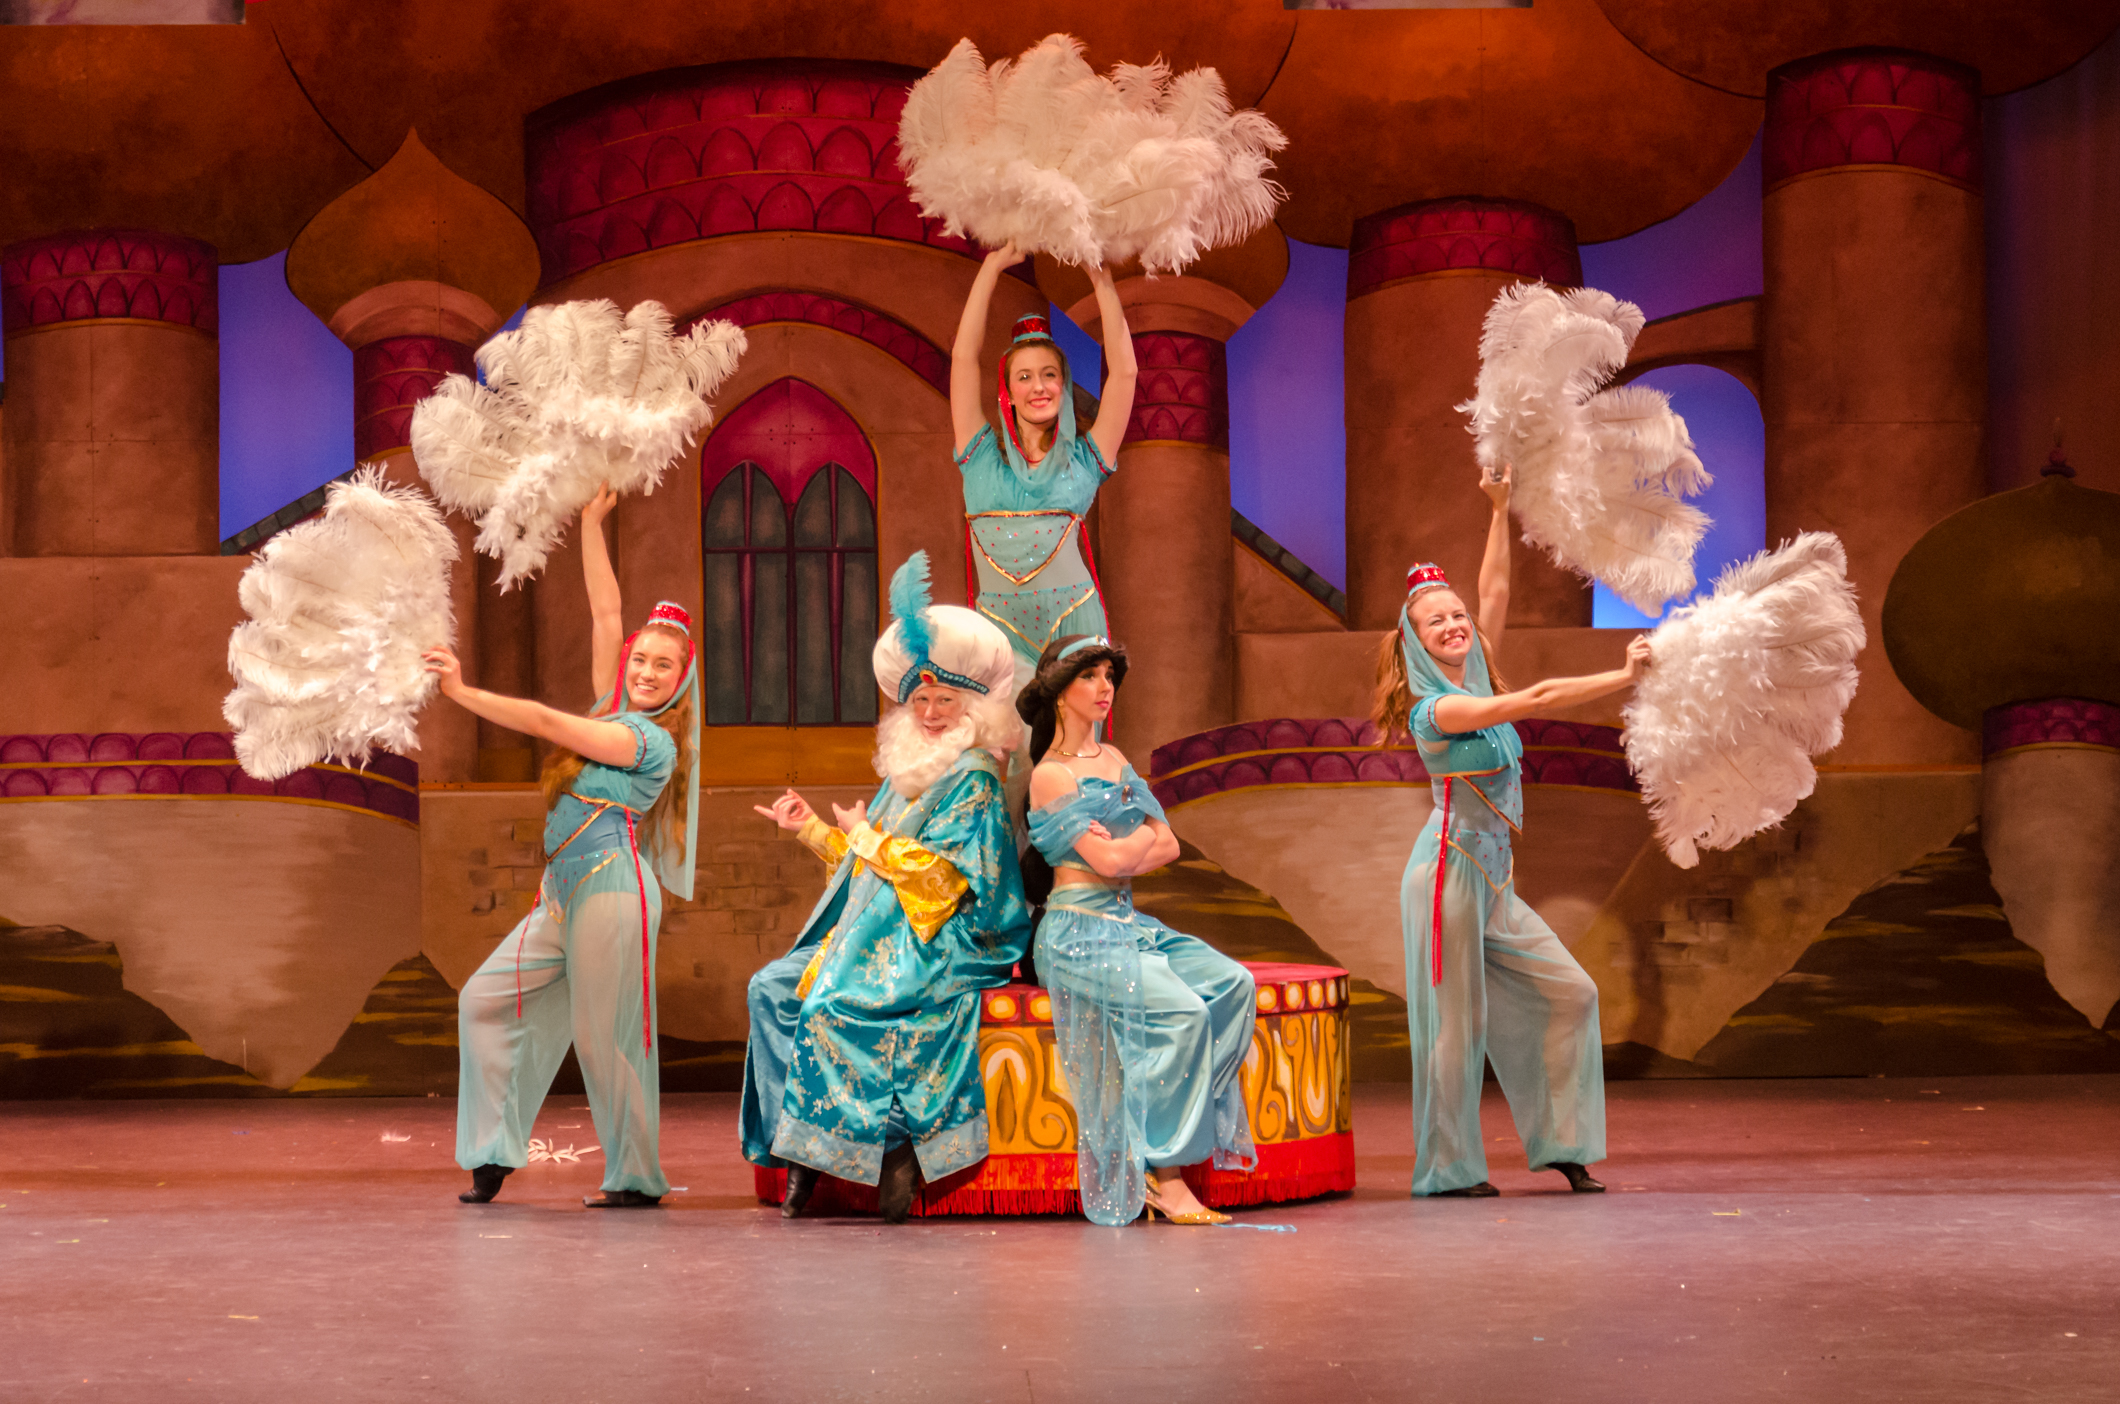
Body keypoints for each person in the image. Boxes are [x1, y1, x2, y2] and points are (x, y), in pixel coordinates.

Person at [1372, 465, 1651, 1198]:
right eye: (1437, 622)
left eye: (1456, 615)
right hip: (1447, 877)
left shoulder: (1474, 672)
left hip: (1493, 880)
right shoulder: (1437, 711)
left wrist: (1498, 510)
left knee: (1571, 992)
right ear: (1414, 642)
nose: (1455, 626)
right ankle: (1447, 1169)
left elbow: (1494, 592)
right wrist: (1621, 677)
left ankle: (1564, 1144)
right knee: (1454, 1029)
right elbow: (1539, 697)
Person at [426, 485, 701, 1208]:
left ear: (681, 681)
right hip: (562, 892)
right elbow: (606, 613)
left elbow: (547, 723)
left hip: (614, 889)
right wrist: (591, 526)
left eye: (662, 667)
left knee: (605, 1036)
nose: (645, 672)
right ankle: (491, 1151)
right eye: (640, 660)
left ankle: (634, 1176)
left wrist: (461, 693)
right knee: (484, 999)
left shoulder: (649, 741)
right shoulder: (612, 704)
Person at [743, 551, 1031, 1223]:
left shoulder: (974, 780)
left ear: (971, 707)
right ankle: (798, 1145)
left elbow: (944, 881)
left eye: (945, 700)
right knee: (771, 989)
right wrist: (815, 831)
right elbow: (866, 871)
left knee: (828, 1003)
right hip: (887, 923)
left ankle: (874, 1151)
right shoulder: (907, 773)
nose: (930, 711)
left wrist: (865, 838)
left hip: (954, 935)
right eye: (920, 699)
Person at [1018, 634, 1257, 1226]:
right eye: (1089, 676)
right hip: (1077, 933)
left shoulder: (1115, 758)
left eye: (1108, 675)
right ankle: (1163, 1173)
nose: (1105, 687)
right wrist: (1136, 841)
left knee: (1234, 985)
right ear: (1059, 692)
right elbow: (1111, 862)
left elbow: (1168, 845)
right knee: (1184, 1014)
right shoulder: (1050, 776)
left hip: (1129, 921)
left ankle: (1170, 1120)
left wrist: (1129, 846)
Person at [951, 243, 1138, 680]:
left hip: (1074, 626)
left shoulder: (1084, 461)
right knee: (1006, 727)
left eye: (1049, 375)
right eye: (1025, 376)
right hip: (1000, 634)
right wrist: (991, 268)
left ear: (1063, 385)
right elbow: (963, 360)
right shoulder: (980, 460)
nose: (1039, 386)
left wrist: (1101, 280)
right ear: (1009, 393)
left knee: (1074, 729)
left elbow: (1125, 374)